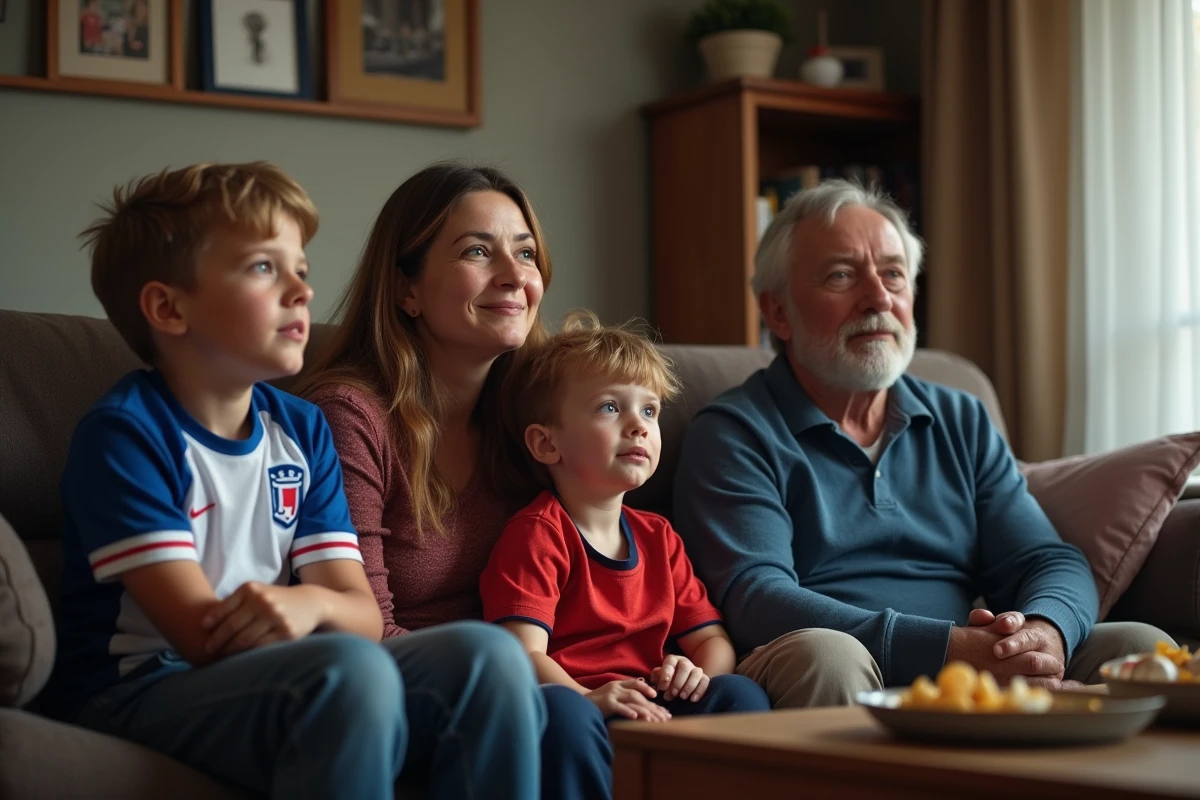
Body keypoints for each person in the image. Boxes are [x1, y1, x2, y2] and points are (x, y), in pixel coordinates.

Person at [44, 162, 545, 799]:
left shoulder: (301, 430)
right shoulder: (127, 435)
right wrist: (316, 618)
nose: (301, 291)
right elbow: (202, 637)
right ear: (169, 308)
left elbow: (358, 612)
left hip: (282, 663)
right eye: (263, 268)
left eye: (301, 270)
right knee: (346, 670)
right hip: (137, 687)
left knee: (490, 656)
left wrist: (309, 604)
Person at [672, 179, 1173, 709]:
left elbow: (1045, 559)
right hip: (835, 659)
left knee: (1141, 646)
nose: (879, 297)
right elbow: (757, 599)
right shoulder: (735, 432)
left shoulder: (959, 417)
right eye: (842, 275)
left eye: (893, 275)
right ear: (778, 313)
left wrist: (1041, 636)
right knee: (828, 657)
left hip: (973, 659)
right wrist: (947, 649)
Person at [298, 163, 613, 800]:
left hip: (537, 667)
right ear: (405, 289)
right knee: (567, 719)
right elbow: (362, 629)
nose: (514, 277)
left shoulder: (535, 424)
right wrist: (540, 680)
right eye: (477, 251)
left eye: (525, 254)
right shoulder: (350, 417)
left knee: (729, 697)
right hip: (417, 685)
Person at [480, 313, 771, 723]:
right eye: (611, 407)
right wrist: (587, 697)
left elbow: (713, 640)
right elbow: (522, 652)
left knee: (739, 692)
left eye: (650, 410)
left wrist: (694, 673)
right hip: (581, 707)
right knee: (562, 712)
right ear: (547, 443)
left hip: (654, 701)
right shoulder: (537, 535)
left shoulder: (659, 536)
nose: (639, 426)